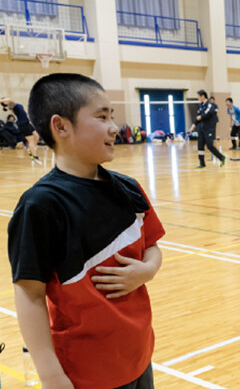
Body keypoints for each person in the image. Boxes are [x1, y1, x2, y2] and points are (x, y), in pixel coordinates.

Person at [9, 73, 164, 389]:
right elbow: (29, 293)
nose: (113, 127)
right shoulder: (41, 204)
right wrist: (52, 375)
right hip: (85, 372)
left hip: (138, 356)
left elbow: (152, 246)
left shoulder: (129, 189)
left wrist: (147, 270)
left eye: (113, 116)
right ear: (61, 126)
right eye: (102, 116)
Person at [191, 89, 226, 168]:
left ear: (203, 96)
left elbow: (208, 113)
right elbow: (198, 117)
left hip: (209, 128)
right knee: (200, 146)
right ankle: (202, 163)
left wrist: (201, 117)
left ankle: (222, 157)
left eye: (198, 96)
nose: (198, 98)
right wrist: (193, 125)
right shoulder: (201, 106)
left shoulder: (210, 105)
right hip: (202, 128)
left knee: (209, 145)